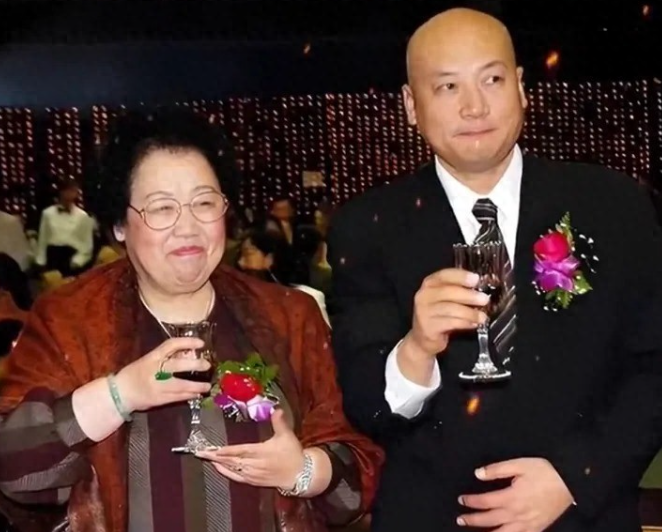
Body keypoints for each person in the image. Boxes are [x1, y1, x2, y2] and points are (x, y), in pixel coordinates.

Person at [328, 8, 662, 532]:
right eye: (448, 87)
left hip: (586, 515)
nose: (475, 106)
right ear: (411, 106)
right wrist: (416, 349)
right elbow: (367, 407)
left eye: (492, 79)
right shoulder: (368, 227)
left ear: (522, 87)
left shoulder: (611, 205)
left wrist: (575, 478)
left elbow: (653, 366)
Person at [0, 108, 382, 532]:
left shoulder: (289, 316)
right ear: (120, 224)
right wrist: (120, 394)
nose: (188, 227)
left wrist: (304, 471)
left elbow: (357, 474)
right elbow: (18, 475)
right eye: (162, 208)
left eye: (204, 203)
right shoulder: (69, 319)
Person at [237, 227, 330, 326]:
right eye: (240, 255)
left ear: (269, 258)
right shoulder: (237, 300)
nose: (240, 262)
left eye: (247, 254)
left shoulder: (309, 298)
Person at [35, 180, 95, 277]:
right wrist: (41, 262)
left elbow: (87, 245)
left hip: (72, 258)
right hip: (52, 257)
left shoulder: (83, 216)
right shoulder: (47, 214)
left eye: (73, 191)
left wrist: (77, 261)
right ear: (61, 192)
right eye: (67, 190)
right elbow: (43, 239)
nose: (69, 194)